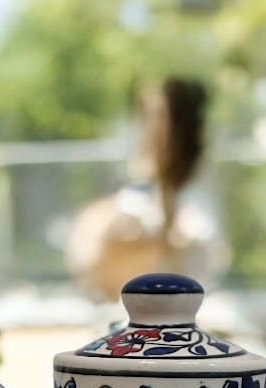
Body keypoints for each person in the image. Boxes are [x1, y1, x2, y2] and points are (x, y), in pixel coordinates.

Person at [67, 78, 225, 301]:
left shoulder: (194, 189)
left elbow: (191, 245)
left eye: (159, 116)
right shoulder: (142, 176)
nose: (150, 128)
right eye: (147, 116)